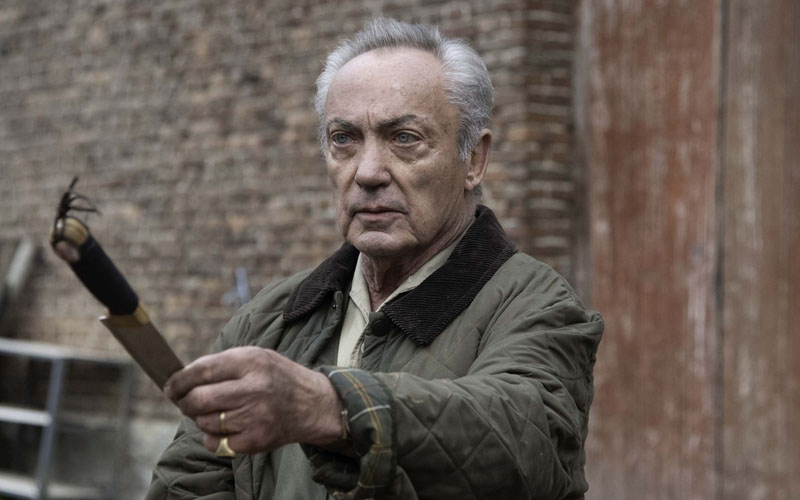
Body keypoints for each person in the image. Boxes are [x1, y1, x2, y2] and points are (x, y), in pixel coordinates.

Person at [146, 17, 603, 500]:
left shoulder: (538, 306)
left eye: (404, 138)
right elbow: (187, 481)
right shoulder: (269, 318)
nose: (367, 172)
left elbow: (525, 438)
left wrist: (329, 407)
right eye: (344, 139)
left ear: (473, 160)